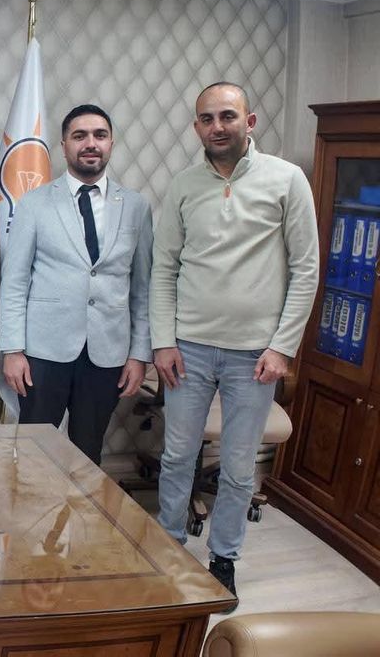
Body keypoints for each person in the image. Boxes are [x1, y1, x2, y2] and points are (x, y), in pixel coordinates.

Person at [152, 82, 319, 609]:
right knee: (177, 456)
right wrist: (163, 341)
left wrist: (283, 347)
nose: (217, 126)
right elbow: (164, 269)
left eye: (227, 116)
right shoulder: (183, 186)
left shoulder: (286, 180)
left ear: (249, 122)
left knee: (240, 468)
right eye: (206, 118)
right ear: (196, 127)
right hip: (188, 350)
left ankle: (223, 557)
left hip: (255, 356)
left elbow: (306, 269)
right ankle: (169, 547)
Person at [0, 104, 153, 464]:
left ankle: (83, 505)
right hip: (43, 352)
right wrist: (13, 350)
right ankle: (33, 504)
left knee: (88, 453)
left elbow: (143, 288)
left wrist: (138, 354)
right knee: (34, 452)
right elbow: (15, 281)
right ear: (64, 145)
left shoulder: (136, 206)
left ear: (111, 143)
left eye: (100, 135)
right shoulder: (34, 203)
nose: (90, 143)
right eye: (79, 136)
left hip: (107, 354)